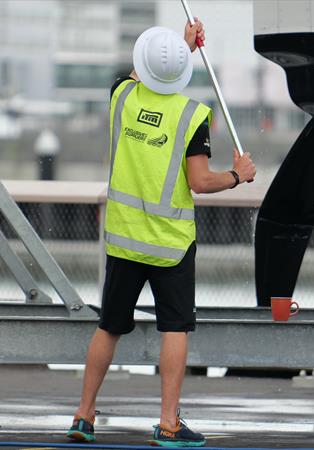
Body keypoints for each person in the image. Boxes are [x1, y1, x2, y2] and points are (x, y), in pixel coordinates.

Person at [66, 19, 255, 447]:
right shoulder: (192, 116)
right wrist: (238, 174)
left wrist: (180, 46)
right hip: (170, 245)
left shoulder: (121, 96)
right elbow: (200, 183)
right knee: (174, 329)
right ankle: (168, 423)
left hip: (123, 236)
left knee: (108, 327)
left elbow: (143, 74)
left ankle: (83, 415)